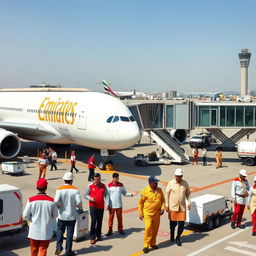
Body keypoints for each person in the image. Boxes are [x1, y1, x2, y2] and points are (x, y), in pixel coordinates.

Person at [23, 178, 58, 256]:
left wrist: (32, 219)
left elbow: (25, 215)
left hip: (34, 231)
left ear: (37, 187)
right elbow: (55, 215)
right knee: (43, 251)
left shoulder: (31, 200)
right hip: (46, 231)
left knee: (33, 251)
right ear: (46, 187)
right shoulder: (51, 201)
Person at [55, 172, 82, 256]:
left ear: (64, 180)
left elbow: (55, 201)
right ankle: (68, 251)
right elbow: (79, 201)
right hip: (71, 216)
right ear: (71, 180)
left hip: (61, 216)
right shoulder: (75, 189)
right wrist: (80, 208)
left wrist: (58, 206)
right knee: (70, 234)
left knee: (60, 231)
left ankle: (59, 247)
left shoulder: (59, 189)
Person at [138, 176, 165, 254]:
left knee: (155, 229)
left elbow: (162, 200)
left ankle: (152, 243)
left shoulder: (159, 190)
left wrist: (162, 208)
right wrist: (140, 213)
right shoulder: (145, 191)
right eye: (155, 182)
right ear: (150, 183)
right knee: (148, 228)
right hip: (148, 213)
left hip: (157, 213)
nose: (156, 183)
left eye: (157, 182)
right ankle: (146, 245)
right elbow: (140, 203)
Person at [165, 168, 191, 247]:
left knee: (181, 225)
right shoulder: (171, 183)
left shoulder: (185, 183)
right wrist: (166, 205)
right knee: (172, 224)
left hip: (182, 207)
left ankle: (178, 237)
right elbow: (166, 194)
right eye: (177, 176)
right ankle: (172, 233)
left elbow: (188, 194)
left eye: (179, 176)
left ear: (182, 176)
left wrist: (189, 203)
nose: (178, 178)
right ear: (175, 176)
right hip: (173, 207)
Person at [84, 173, 109, 244]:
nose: (96, 181)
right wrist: (90, 198)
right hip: (93, 206)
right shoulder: (90, 186)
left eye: (98, 179)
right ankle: (92, 237)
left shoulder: (103, 186)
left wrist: (107, 204)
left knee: (99, 221)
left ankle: (98, 236)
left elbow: (107, 195)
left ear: (100, 179)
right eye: (95, 179)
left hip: (101, 206)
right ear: (93, 179)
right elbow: (85, 195)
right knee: (93, 221)